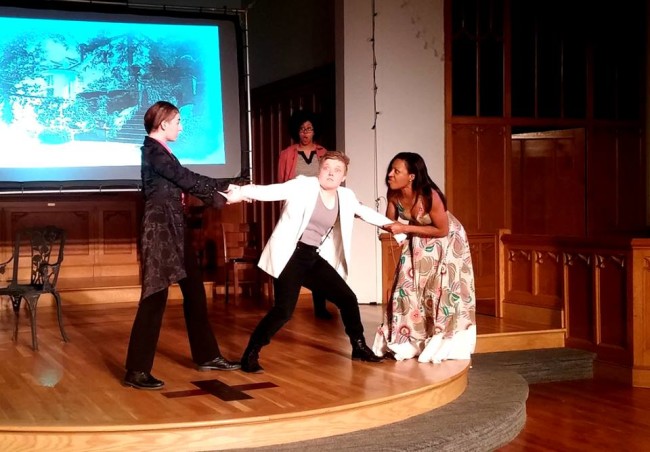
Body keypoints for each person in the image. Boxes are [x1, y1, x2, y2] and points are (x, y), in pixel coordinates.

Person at [224, 151, 406, 373]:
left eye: (337, 170)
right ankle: (250, 354)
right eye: (327, 167)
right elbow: (272, 190)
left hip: (311, 257)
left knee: (347, 298)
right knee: (283, 311)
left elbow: (365, 212)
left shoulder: (345, 196)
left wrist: (394, 227)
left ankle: (358, 347)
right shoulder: (304, 186)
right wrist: (240, 191)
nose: (331, 173)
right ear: (319, 170)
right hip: (290, 255)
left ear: (344, 176)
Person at [124, 101, 240, 390]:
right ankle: (136, 370)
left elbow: (188, 178)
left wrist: (226, 186)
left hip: (175, 227)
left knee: (195, 291)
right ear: (163, 124)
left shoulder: (162, 152)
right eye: (177, 121)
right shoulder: (152, 151)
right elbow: (185, 179)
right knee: (154, 297)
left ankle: (207, 355)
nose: (181, 126)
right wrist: (223, 195)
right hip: (161, 230)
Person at [372, 152, 476, 363]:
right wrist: (361, 213)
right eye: (390, 170)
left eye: (396, 171)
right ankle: (408, 340)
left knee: (439, 288)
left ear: (411, 176)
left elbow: (442, 230)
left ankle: (440, 339)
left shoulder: (430, 196)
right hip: (418, 239)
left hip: (447, 241)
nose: (390, 174)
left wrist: (405, 227)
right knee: (406, 286)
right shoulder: (394, 195)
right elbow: (389, 222)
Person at [277, 110, 331, 319]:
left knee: (318, 254)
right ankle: (285, 302)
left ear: (314, 130)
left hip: (319, 209)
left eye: (309, 129)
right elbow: (282, 183)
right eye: (302, 129)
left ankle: (320, 305)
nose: (305, 133)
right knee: (295, 254)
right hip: (296, 210)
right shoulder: (287, 154)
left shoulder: (323, 152)